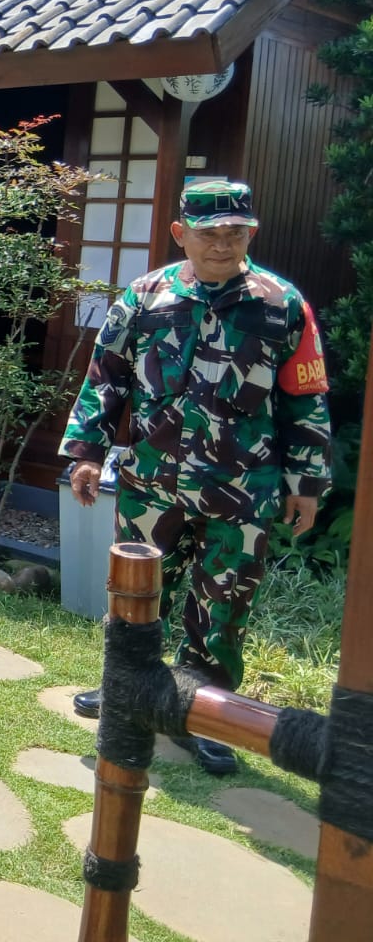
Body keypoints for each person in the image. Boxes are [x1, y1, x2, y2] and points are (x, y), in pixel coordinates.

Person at [61, 179, 332, 775]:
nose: (223, 244)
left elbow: (305, 397)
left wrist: (305, 482)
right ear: (181, 233)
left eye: (236, 232)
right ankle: (126, 689)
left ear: (250, 233)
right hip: (152, 483)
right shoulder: (144, 296)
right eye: (209, 233)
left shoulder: (282, 304)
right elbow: (107, 377)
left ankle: (207, 715)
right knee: (135, 595)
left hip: (243, 488)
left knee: (224, 605)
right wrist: (85, 452)